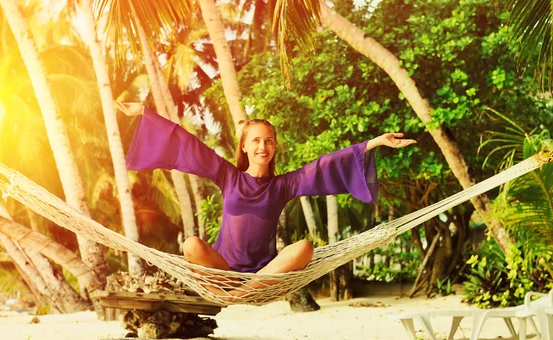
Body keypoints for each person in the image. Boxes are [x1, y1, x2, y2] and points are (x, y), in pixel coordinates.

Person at [116, 101, 416, 298]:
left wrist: (375, 142)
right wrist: (145, 112)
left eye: (269, 141)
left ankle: (244, 292)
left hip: (263, 275)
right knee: (191, 244)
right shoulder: (227, 176)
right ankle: (232, 292)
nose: (263, 146)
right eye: (256, 140)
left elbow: (324, 165)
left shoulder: (284, 185)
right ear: (244, 146)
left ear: (274, 147)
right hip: (222, 272)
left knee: (304, 247)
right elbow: (189, 144)